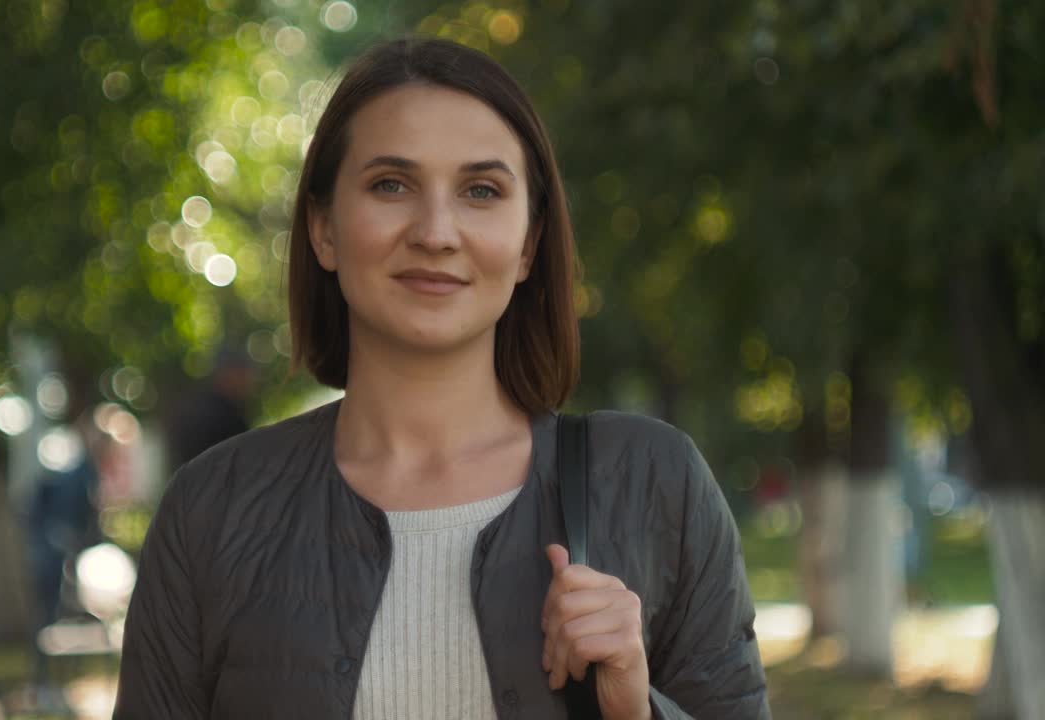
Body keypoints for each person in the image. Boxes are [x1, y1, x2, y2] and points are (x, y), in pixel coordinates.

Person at [114, 37, 769, 719]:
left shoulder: (654, 482)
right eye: (391, 185)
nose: (436, 231)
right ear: (323, 228)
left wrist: (637, 712)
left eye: (481, 191)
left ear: (528, 245)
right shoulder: (210, 511)